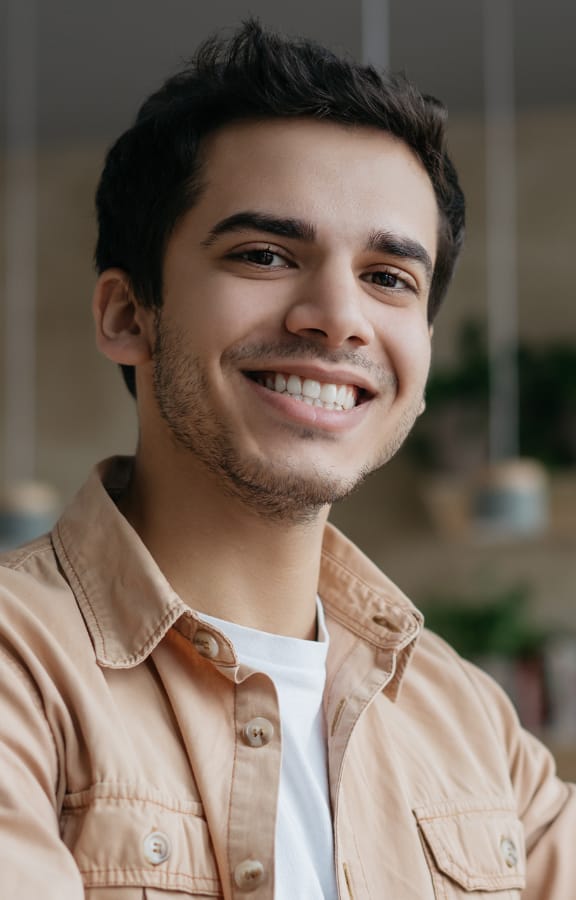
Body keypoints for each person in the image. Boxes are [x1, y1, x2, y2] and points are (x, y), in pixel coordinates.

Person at [0, 20, 573, 900]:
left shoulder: (474, 726)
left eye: (390, 277)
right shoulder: (20, 669)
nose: (337, 317)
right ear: (127, 316)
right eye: (264, 254)